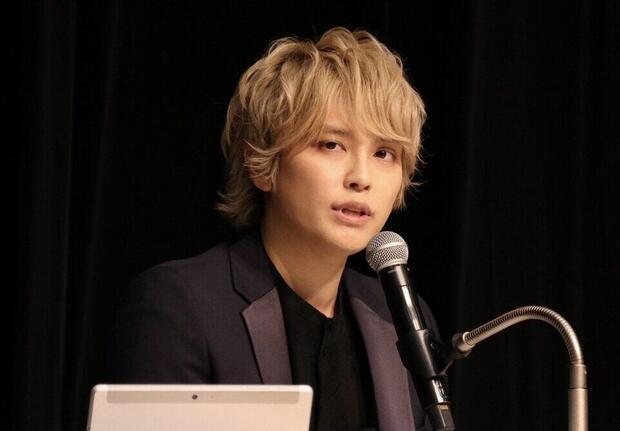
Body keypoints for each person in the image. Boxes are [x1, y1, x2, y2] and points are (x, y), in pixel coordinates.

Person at [108, 27, 440, 431]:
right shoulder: (179, 307)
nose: (361, 177)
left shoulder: (401, 316)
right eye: (332, 145)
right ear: (263, 163)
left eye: (384, 153)